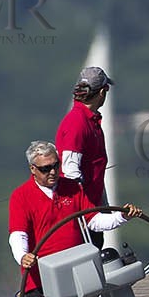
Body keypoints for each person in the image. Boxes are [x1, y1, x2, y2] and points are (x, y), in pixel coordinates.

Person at [8, 140, 140, 297]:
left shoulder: (72, 187)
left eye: (55, 165)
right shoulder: (21, 196)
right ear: (33, 169)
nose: (52, 172)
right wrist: (22, 256)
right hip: (41, 279)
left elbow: (94, 220)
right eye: (45, 169)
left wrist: (122, 216)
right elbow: (18, 234)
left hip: (78, 272)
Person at [56, 66, 111, 206]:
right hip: (81, 211)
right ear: (102, 91)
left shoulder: (89, 121)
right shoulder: (77, 122)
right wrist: (82, 213)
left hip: (93, 207)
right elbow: (70, 172)